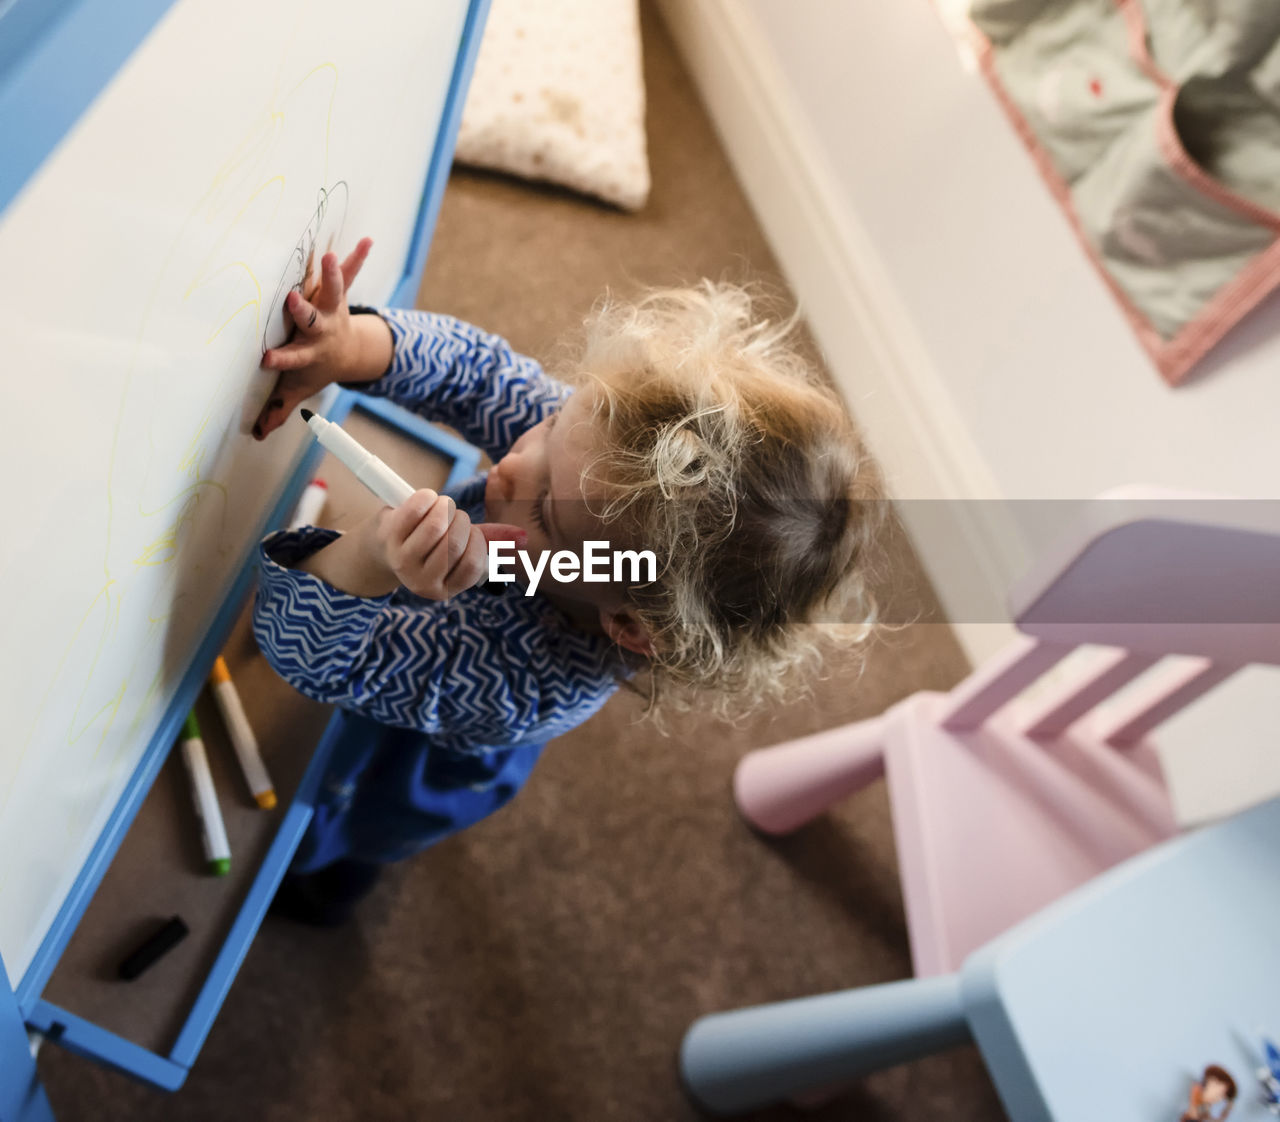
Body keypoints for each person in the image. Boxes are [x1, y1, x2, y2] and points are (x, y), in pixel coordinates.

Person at [251, 237, 883, 924]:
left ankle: (331, 887)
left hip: (425, 750)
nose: (510, 465)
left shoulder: (520, 685)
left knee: (350, 822)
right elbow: (479, 375)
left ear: (631, 621)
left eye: (545, 511)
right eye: (552, 422)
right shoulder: (597, 454)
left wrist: (370, 557)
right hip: (452, 629)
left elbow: (319, 659)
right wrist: (355, 347)